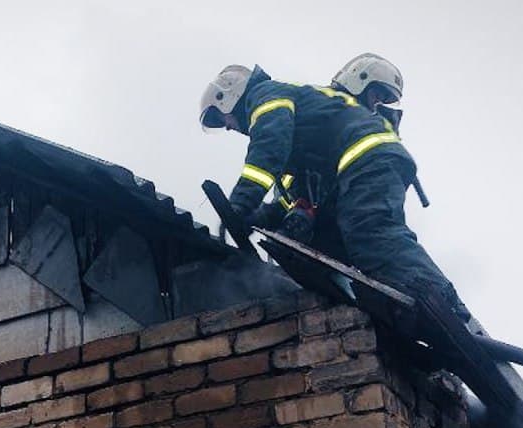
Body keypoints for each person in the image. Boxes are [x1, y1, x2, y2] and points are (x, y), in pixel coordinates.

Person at [199, 62, 468, 319]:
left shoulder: (265, 95)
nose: (228, 126)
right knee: (327, 248)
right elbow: (301, 193)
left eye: (221, 118)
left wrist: (240, 203)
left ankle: (441, 300)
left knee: (370, 230)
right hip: (360, 166)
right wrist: (261, 217)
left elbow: (268, 149)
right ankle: (385, 308)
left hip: (367, 156)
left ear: (228, 96)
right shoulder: (301, 126)